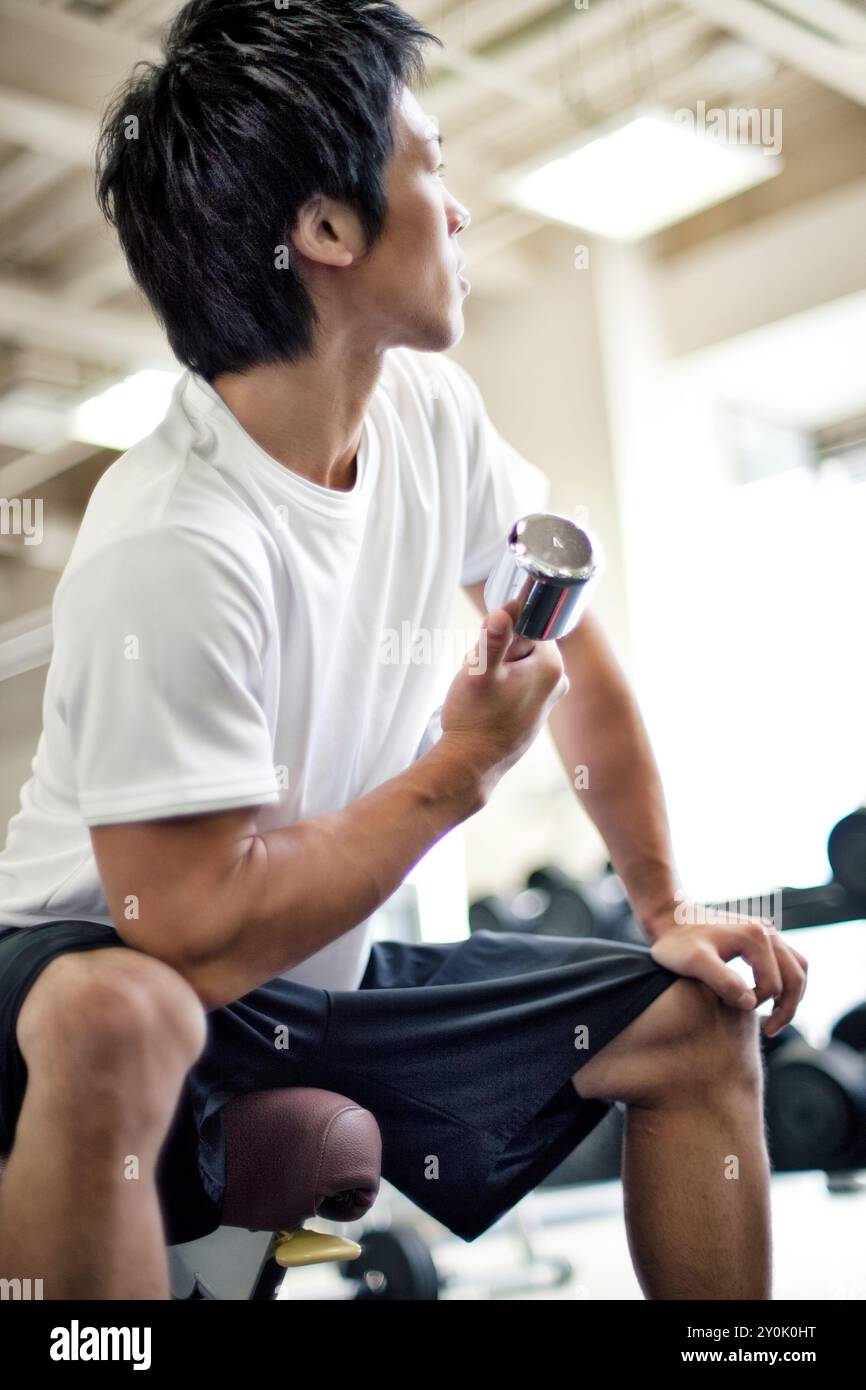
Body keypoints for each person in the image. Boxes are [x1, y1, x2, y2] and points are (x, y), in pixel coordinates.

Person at [0, 0, 806, 1300]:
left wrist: (665, 912)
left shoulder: (430, 414)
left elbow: (575, 658)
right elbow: (183, 933)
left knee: (694, 1016)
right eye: (428, 165)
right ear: (323, 230)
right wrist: (458, 772)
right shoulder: (175, 534)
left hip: (311, 973)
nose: (460, 208)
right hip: (91, 971)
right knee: (121, 1015)